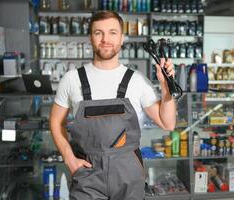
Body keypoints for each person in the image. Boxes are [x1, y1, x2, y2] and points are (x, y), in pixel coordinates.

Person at [49, 10, 176, 200]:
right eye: (98, 32)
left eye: (112, 32)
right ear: (90, 38)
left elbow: (168, 123)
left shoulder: (137, 80)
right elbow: (55, 122)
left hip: (129, 173)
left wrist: (167, 89)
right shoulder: (71, 79)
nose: (105, 39)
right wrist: (69, 157)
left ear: (122, 38)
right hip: (87, 173)